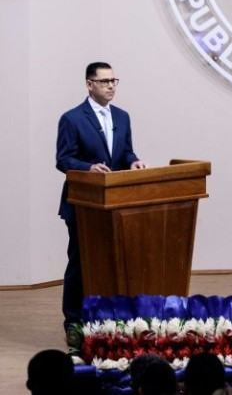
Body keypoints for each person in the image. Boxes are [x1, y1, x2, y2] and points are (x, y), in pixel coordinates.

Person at [56, 61, 148, 340]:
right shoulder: (72, 118)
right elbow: (63, 159)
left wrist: (134, 162)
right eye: (104, 81)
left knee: (113, 261)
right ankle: (73, 322)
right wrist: (88, 168)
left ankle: (108, 319)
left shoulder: (122, 117)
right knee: (80, 263)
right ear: (89, 84)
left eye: (113, 81)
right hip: (83, 205)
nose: (110, 86)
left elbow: (126, 153)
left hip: (114, 203)